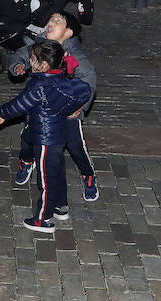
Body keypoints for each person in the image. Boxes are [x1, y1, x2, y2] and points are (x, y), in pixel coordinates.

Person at [0, 40, 91, 234]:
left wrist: (0, 114)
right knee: (56, 172)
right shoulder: (63, 79)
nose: (30, 61)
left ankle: (44, 218)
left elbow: (19, 105)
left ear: (42, 65)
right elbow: (84, 90)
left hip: (45, 138)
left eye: (32, 59)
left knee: (46, 179)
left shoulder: (40, 85)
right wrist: (71, 109)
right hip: (59, 135)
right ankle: (61, 206)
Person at [7, 11, 99, 202]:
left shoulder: (74, 55)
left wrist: (80, 107)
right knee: (28, 138)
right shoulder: (39, 44)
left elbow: (89, 78)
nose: (51, 22)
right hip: (40, 108)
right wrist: (17, 66)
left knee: (75, 145)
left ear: (68, 33)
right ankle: (26, 160)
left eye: (58, 21)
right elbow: (21, 54)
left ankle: (88, 174)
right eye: (50, 18)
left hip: (66, 111)